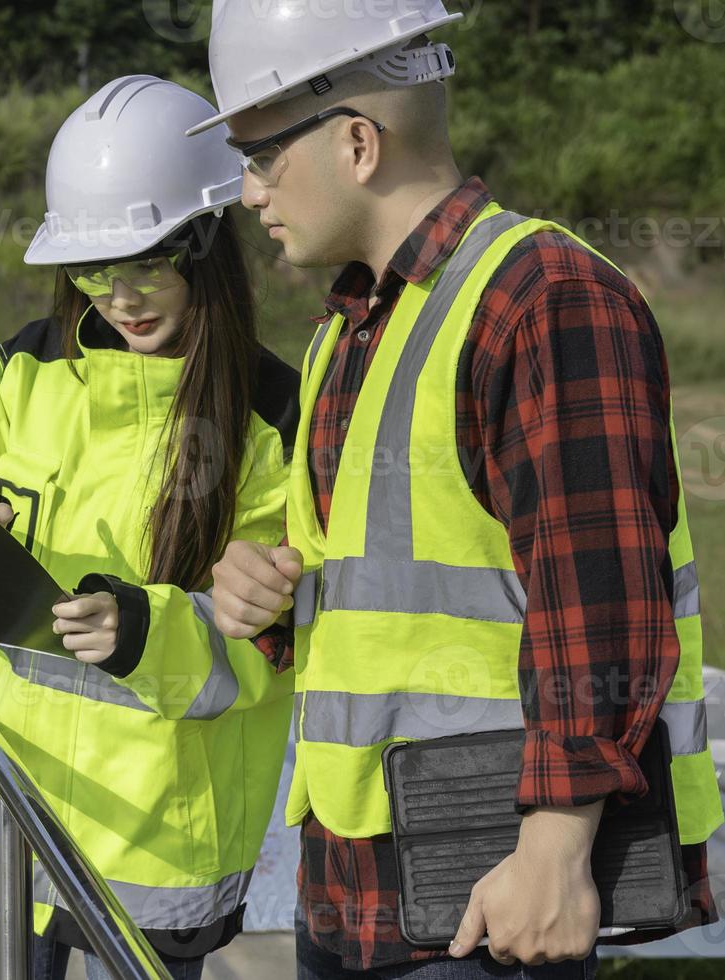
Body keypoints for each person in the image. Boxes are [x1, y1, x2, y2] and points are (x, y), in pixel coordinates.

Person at [190, 3, 724, 977]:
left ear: (356, 142)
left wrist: (557, 849)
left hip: (489, 900)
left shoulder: (543, 296)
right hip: (353, 885)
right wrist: (266, 597)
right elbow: (382, 596)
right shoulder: (346, 333)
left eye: (260, 155)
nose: (247, 190)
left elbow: (596, 594)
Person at [0, 75, 300, 980]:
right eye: (92, 268)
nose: (120, 297)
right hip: (6, 801)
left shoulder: (275, 421)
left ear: (206, 243)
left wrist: (141, 633)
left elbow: (272, 647)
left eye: (148, 260)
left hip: (157, 839)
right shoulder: (30, 368)